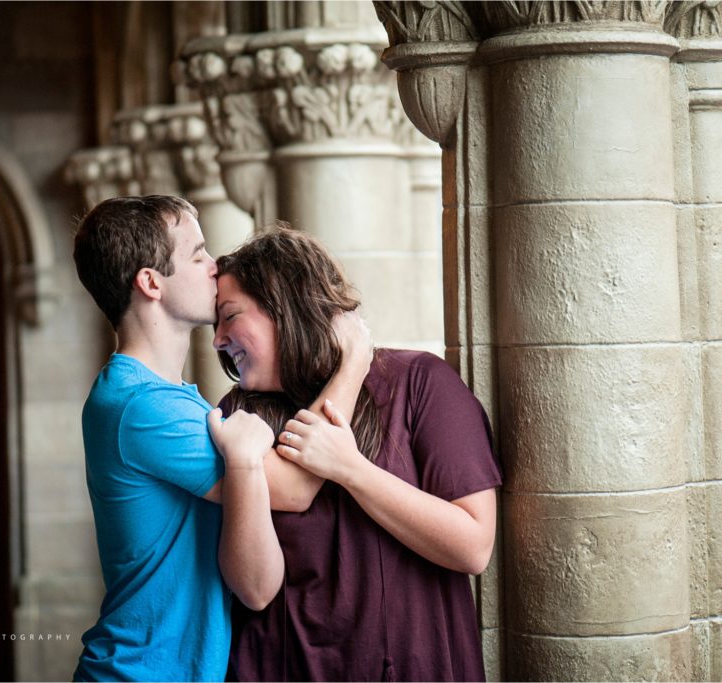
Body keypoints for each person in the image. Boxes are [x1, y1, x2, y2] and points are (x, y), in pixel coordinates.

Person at [70, 197, 368, 681]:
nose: (214, 267)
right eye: (197, 254)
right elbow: (294, 488)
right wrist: (354, 359)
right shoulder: (143, 408)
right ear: (151, 283)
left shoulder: (161, 398)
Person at [212, 227, 503, 681]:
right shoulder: (237, 418)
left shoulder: (421, 384)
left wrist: (352, 470)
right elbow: (251, 589)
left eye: (229, 317)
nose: (217, 340)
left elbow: (473, 547)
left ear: (284, 305)